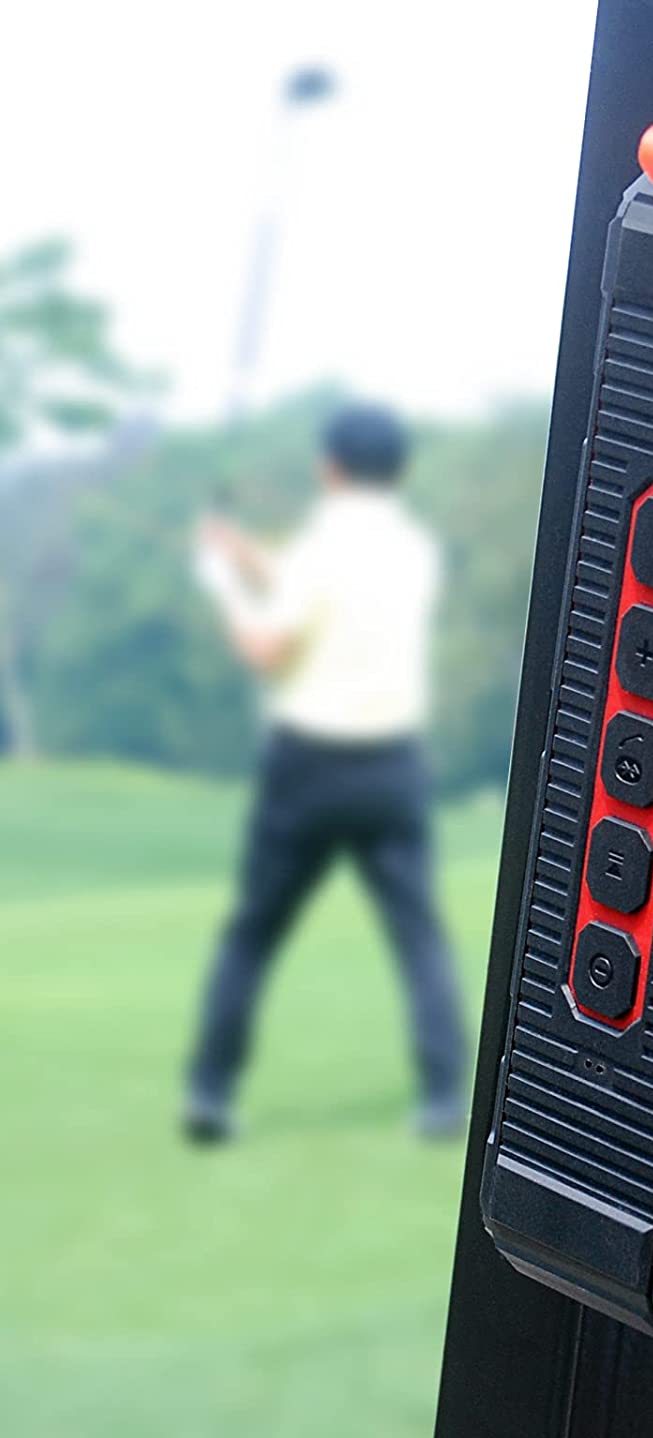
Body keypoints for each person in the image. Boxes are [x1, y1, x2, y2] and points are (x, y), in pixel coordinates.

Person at [183, 403, 467, 1143]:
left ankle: (210, 1094)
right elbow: (320, 593)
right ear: (402, 469)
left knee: (252, 933)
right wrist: (246, 554)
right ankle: (443, 1098)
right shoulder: (416, 552)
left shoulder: (314, 552)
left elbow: (268, 648)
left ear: (328, 468)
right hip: (392, 764)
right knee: (419, 937)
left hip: (307, 766)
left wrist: (222, 580)